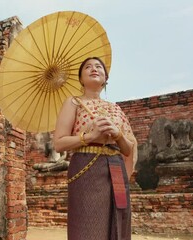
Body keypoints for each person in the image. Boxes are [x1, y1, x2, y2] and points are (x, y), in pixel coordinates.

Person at [53, 57, 137, 240]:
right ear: (81, 79)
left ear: (106, 78)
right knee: (88, 222)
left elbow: (128, 149)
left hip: (116, 168)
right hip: (86, 166)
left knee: (118, 219)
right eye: (88, 67)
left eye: (99, 67)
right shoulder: (74, 102)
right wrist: (89, 137)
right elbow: (58, 143)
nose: (94, 69)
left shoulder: (115, 109)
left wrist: (118, 134)